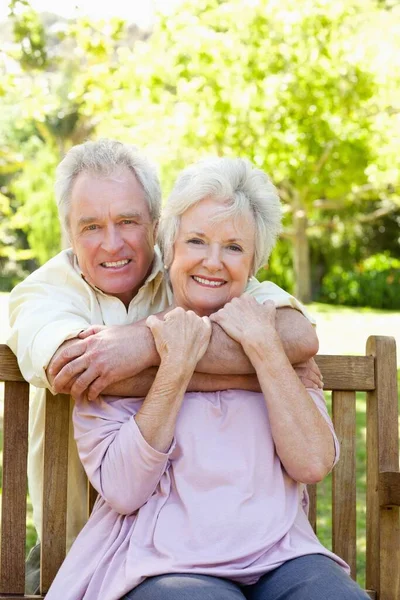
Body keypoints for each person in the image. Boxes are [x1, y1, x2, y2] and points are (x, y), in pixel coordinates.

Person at [45, 156, 368, 600]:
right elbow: (123, 489)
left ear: (254, 261)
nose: (213, 262)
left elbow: (312, 463)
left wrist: (264, 351)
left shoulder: (275, 339)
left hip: (281, 555)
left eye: (233, 247)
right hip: (164, 560)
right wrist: (174, 367)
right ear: (170, 248)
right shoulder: (117, 350)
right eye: (197, 241)